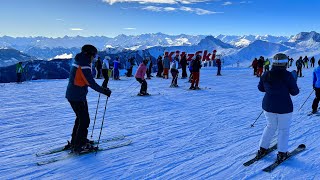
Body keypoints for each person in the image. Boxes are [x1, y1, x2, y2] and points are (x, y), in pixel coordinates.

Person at [65, 44, 112, 153]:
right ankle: (79, 145)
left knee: (80, 119)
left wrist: (102, 89)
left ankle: (76, 141)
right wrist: (103, 90)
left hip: (75, 95)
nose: (94, 58)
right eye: (94, 55)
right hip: (77, 96)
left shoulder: (80, 61)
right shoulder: (84, 65)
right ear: (89, 54)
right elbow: (90, 82)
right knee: (84, 120)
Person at [256, 53, 299, 163]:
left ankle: (262, 149)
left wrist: (272, 89)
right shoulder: (288, 75)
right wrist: (294, 80)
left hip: (268, 106)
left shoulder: (266, 74)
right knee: (283, 129)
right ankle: (282, 153)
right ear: (285, 63)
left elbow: (261, 88)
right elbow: (294, 92)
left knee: (270, 126)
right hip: (284, 107)